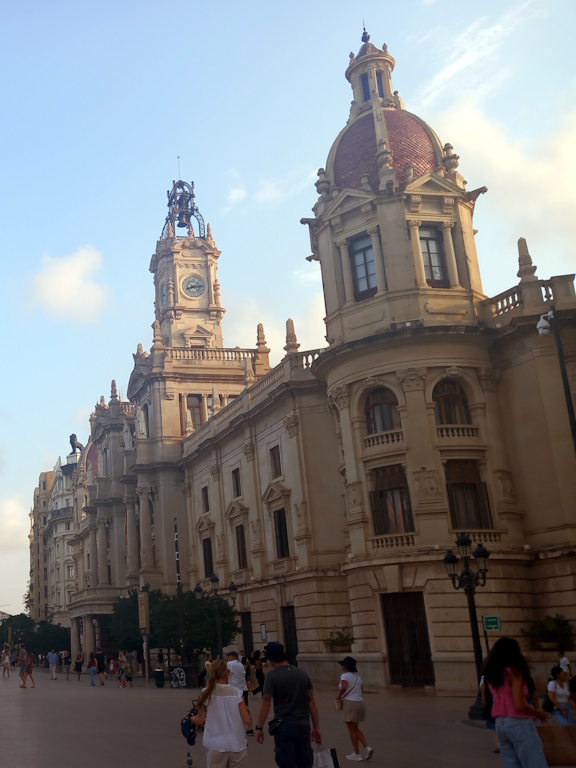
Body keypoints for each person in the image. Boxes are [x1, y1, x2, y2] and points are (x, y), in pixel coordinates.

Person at [255, 641, 321, 768]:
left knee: (286, 762)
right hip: (303, 725)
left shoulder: (272, 676)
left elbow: (266, 703)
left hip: (284, 725)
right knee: (304, 762)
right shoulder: (302, 674)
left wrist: (259, 727)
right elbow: (311, 702)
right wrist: (316, 727)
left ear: (271, 658)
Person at [483, 637, 548, 768]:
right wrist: (537, 712)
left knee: (511, 763)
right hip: (518, 723)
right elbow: (518, 704)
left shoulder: (491, 673)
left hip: (500, 724)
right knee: (534, 762)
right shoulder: (514, 672)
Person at [191, 659, 253, 768]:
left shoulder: (206, 693)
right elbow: (247, 720)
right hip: (237, 744)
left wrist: (192, 719)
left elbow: (200, 720)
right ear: (226, 673)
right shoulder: (237, 693)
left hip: (215, 745)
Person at [336, 656, 373, 762]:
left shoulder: (345, 676)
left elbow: (344, 687)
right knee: (356, 728)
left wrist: (339, 696)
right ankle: (367, 747)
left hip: (350, 703)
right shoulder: (358, 677)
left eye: (343, 664)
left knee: (351, 730)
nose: (341, 666)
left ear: (346, 666)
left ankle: (357, 754)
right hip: (360, 702)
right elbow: (361, 691)